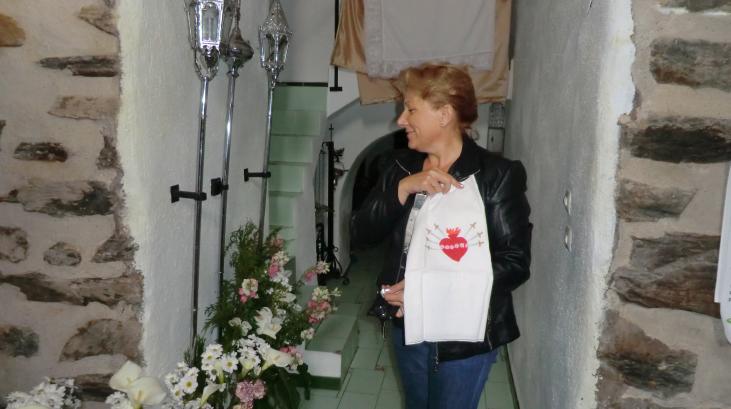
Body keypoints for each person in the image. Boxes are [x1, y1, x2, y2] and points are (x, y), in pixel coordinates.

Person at [351, 63, 532, 409]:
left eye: (410, 109)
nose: (401, 120)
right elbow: (361, 234)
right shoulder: (399, 167)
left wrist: (428, 290)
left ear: (445, 114)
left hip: (465, 337)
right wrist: (402, 189)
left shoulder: (496, 176)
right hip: (409, 325)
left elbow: (515, 262)